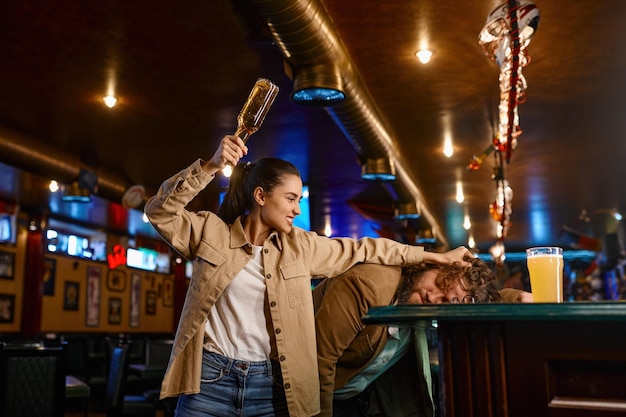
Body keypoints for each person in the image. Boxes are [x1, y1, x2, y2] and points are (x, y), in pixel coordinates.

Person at [143, 134, 473, 417]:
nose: (297, 209)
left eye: (299, 200)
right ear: (260, 196)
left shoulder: (300, 247)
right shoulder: (210, 232)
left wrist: (435, 257)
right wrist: (211, 166)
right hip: (209, 380)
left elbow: (365, 249)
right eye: (290, 199)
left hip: (269, 384)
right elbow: (160, 211)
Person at [313, 258, 532, 417]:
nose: (433, 297)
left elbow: (484, 303)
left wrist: (516, 297)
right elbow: (317, 366)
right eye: (440, 283)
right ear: (433, 264)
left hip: (356, 400)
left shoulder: (418, 306)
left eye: (446, 302)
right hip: (308, 399)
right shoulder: (367, 286)